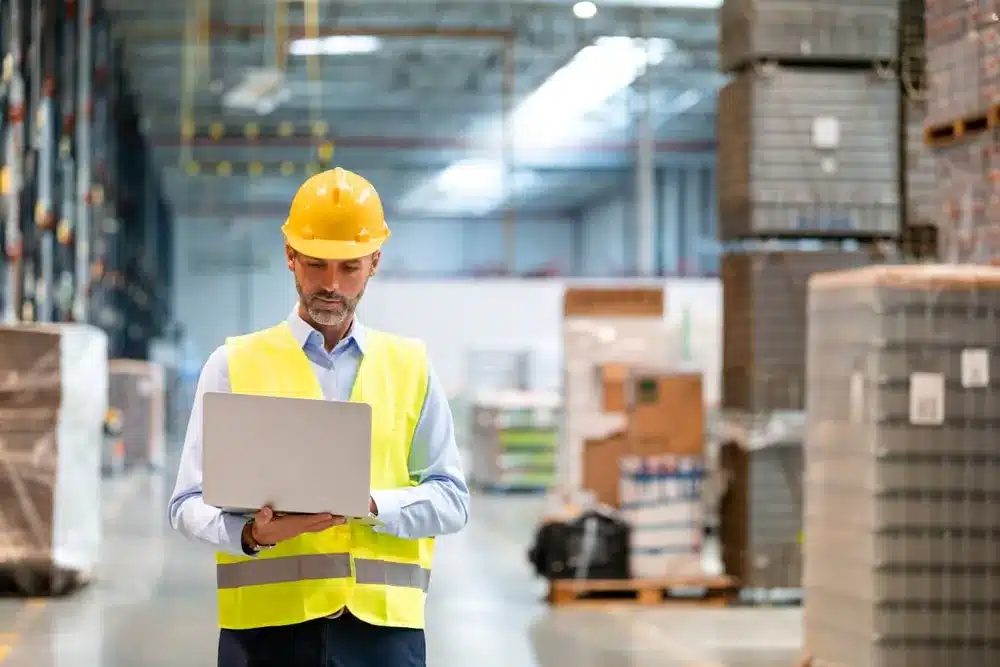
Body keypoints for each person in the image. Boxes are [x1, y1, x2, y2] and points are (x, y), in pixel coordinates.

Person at [167, 167, 471, 667]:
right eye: (316, 265)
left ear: (375, 262)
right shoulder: (233, 364)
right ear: (290, 257)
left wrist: (373, 504)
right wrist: (251, 535)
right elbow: (186, 502)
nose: (331, 285)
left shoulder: (411, 367)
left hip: (383, 638)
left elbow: (453, 499)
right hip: (265, 635)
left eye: (350, 267)